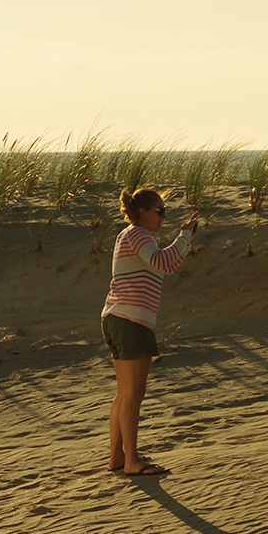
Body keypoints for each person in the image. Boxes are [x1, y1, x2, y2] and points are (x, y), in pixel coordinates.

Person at [102, 188, 198, 475]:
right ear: (142, 212)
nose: (164, 216)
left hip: (119, 318)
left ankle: (118, 457)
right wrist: (185, 236)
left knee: (123, 394)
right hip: (130, 321)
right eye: (159, 210)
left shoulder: (131, 237)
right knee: (133, 394)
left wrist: (184, 239)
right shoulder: (138, 234)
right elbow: (165, 264)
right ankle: (131, 462)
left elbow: (167, 263)